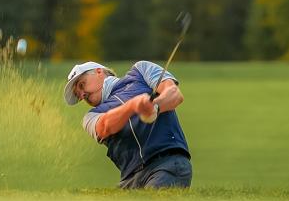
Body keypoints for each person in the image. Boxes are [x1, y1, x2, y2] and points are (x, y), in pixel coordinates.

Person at [63, 60, 192, 189]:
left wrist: (155, 107)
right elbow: (104, 127)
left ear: (99, 72)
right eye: (77, 95)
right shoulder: (90, 117)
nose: (82, 94)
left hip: (166, 164)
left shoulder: (140, 71)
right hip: (130, 179)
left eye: (81, 85)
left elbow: (175, 94)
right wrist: (133, 106)